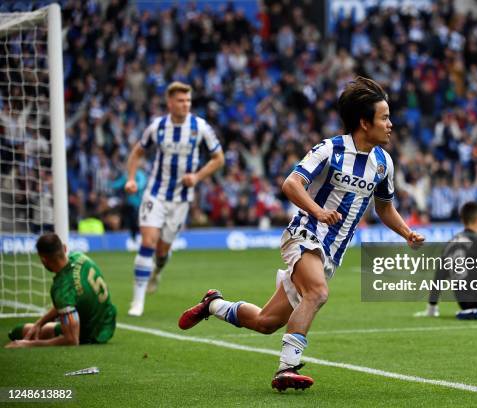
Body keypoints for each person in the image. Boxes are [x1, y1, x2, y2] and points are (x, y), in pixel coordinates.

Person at [178, 77, 425, 391]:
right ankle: (287, 368)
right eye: (385, 117)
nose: (391, 124)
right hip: (305, 233)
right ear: (364, 123)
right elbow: (291, 184)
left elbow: (385, 208)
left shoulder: (383, 164)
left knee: (266, 322)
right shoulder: (330, 149)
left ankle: (213, 303)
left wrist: (407, 233)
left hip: (331, 254)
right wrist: (318, 211)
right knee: (318, 293)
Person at [124, 81, 225, 316]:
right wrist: (131, 178)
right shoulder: (157, 127)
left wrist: (197, 176)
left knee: (161, 251)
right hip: (155, 193)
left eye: (188, 100)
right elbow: (138, 152)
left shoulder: (200, 127)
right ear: (170, 103)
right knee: (147, 242)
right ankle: (137, 302)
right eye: (181, 100)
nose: (185, 104)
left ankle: (157, 272)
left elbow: (218, 158)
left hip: (181, 199)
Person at [5, 233, 117, 348]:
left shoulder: (62, 289)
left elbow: (72, 341)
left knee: (18, 332)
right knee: (34, 328)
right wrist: (40, 323)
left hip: (92, 334)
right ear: (64, 248)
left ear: (44, 260)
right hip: (107, 320)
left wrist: (28, 344)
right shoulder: (80, 257)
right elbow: (70, 299)